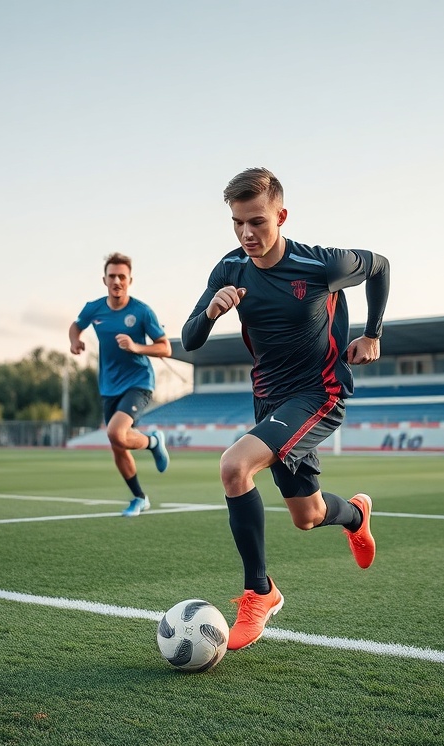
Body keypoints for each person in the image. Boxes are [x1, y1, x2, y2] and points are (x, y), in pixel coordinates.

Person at [181, 168, 390, 650]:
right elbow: (190, 339)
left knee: (234, 467)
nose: (247, 234)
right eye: (237, 223)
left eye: (257, 221)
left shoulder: (321, 264)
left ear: (281, 215)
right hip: (269, 401)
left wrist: (374, 333)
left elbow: (379, 265)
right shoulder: (229, 270)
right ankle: (355, 516)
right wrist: (212, 312)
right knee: (308, 515)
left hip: (320, 393)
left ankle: (261, 592)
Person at [70, 252, 172, 517]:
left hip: (139, 382)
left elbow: (165, 348)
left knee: (116, 433)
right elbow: (75, 326)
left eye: (122, 276)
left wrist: (135, 346)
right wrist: (75, 341)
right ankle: (140, 497)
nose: (117, 280)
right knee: (118, 446)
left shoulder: (141, 311)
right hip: (108, 386)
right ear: (104, 279)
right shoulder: (94, 308)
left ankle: (152, 441)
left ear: (130, 280)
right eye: (112, 276)